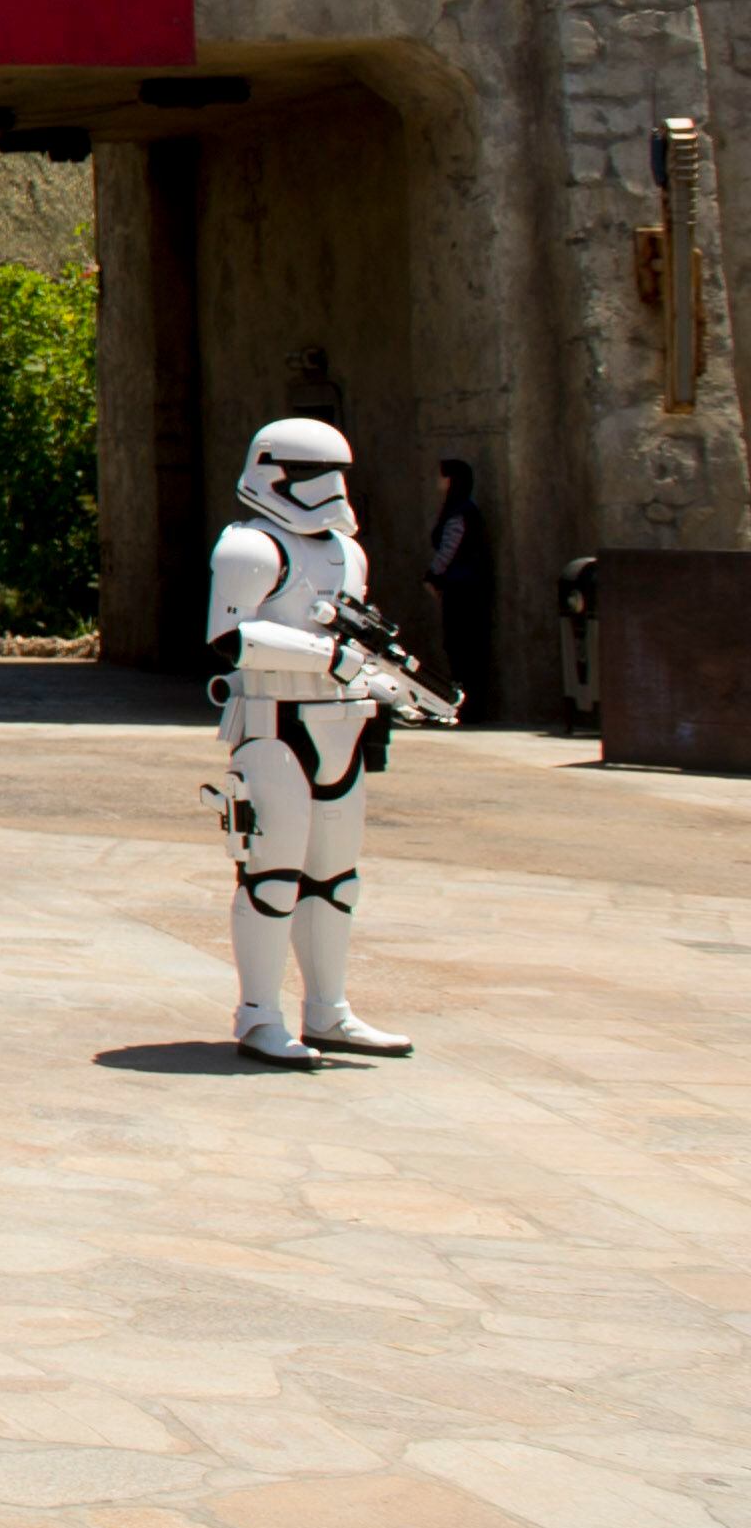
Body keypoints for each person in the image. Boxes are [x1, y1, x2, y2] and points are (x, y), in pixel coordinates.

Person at [206, 417, 443, 1068]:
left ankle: (328, 1010)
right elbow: (232, 639)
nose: (330, 489)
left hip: (340, 725)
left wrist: (382, 683)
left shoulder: (345, 551)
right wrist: (328, 656)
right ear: (275, 472)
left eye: (337, 474)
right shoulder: (248, 546)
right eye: (314, 475)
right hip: (274, 726)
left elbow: (358, 642)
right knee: (270, 872)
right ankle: (258, 1014)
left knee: (335, 879)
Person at [424, 459, 494, 721]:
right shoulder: (460, 510)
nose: (437, 481)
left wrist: (433, 575)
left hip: (463, 591)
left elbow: (449, 549)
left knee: (462, 647)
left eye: (442, 476)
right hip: (464, 588)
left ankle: (468, 706)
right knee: (462, 647)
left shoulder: (460, 513)